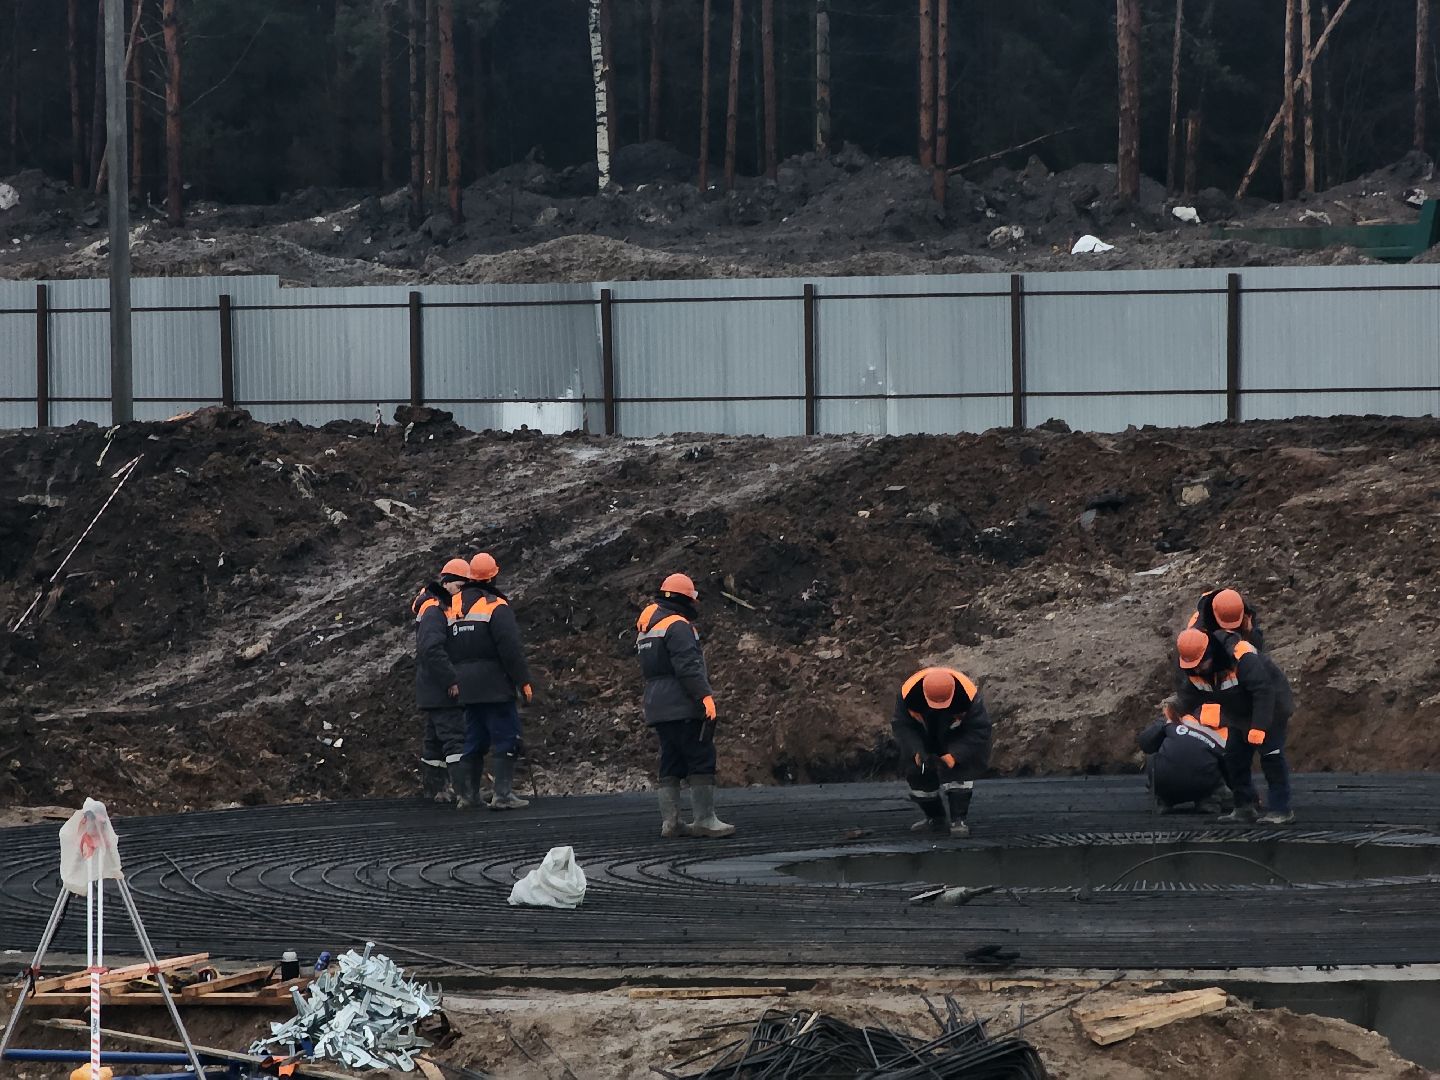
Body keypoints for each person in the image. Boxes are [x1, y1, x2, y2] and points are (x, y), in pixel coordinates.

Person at [635, 572, 734, 839]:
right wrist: (704, 697)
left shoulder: (648, 625)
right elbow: (688, 667)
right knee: (700, 756)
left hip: (657, 704)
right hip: (681, 703)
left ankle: (671, 823)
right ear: (685, 599)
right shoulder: (678, 625)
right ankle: (704, 819)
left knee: (671, 760)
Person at [1175, 627, 1295, 824]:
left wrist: (1259, 727)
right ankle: (1244, 806)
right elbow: (1190, 697)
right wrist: (1176, 714)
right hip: (1238, 713)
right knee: (1234, 757)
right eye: (1193, 666)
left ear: (1211, 652)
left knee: (1270, 757)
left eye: (1201, 663)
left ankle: (1281, 810)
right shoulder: (1195, 670)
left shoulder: (1242, 657)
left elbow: (1264, 691)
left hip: (1271, 707)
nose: (1198, 669)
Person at [453, 551, 534, 811]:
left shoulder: (453, 605)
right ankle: (502, 795)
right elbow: (510, 649)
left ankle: (468, 796)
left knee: (474, 738)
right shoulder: (495, 607)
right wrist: (523, 682)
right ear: (493, 576)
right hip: (495, 685)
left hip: (465, 684)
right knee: (505, 736)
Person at [891, 667, 992, 838]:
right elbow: (902, 726)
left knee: (960, 774)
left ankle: (958, 820)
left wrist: (955, 755)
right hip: (923, 732)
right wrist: (916, 750)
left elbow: (979, 730)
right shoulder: (908, 694)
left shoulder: (968, 696)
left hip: (956, 734)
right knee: (918, 774)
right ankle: (935, 819)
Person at [413, 558, 471, 805]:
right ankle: (465, 792)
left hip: (431, 688)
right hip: (441, 689)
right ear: (447, 584)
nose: (463, 591)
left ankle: (436, 790)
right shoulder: (435, 611)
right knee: (455, 737)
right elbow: (432, 649)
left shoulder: (434, 608)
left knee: (435, 742)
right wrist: (451, 679)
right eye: (461, 585)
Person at [1137, 700, 1229, 813]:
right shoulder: (1225, 734)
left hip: (1165, 782)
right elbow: (1231, 771)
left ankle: (1164, 800)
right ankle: (1208, 800)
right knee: (1219, 764)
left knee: (1155, 748)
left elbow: (1145, 743)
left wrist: (1163, 723)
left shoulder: (1177, 720)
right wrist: (1248, 797)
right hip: (1201, 785)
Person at [1188, 588, 1265, 651]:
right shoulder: (1200, 628)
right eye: (1228, 626)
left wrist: (1250, 631)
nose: (1232, 629)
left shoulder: (1244, 611)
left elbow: (1259, 647)